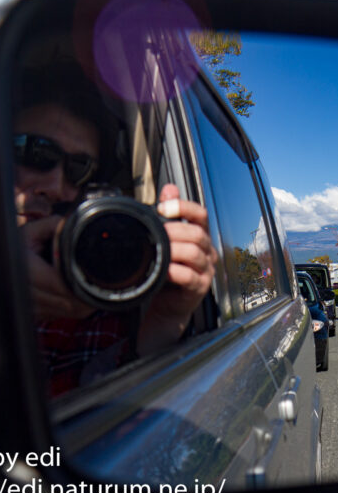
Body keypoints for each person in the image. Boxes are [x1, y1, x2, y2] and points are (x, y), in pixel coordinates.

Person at [14, 97, 217, 397]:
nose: (56, 186)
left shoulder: (99, 295)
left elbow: (111, 408)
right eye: (37, 153)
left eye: (79, 169)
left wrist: (165, 322)